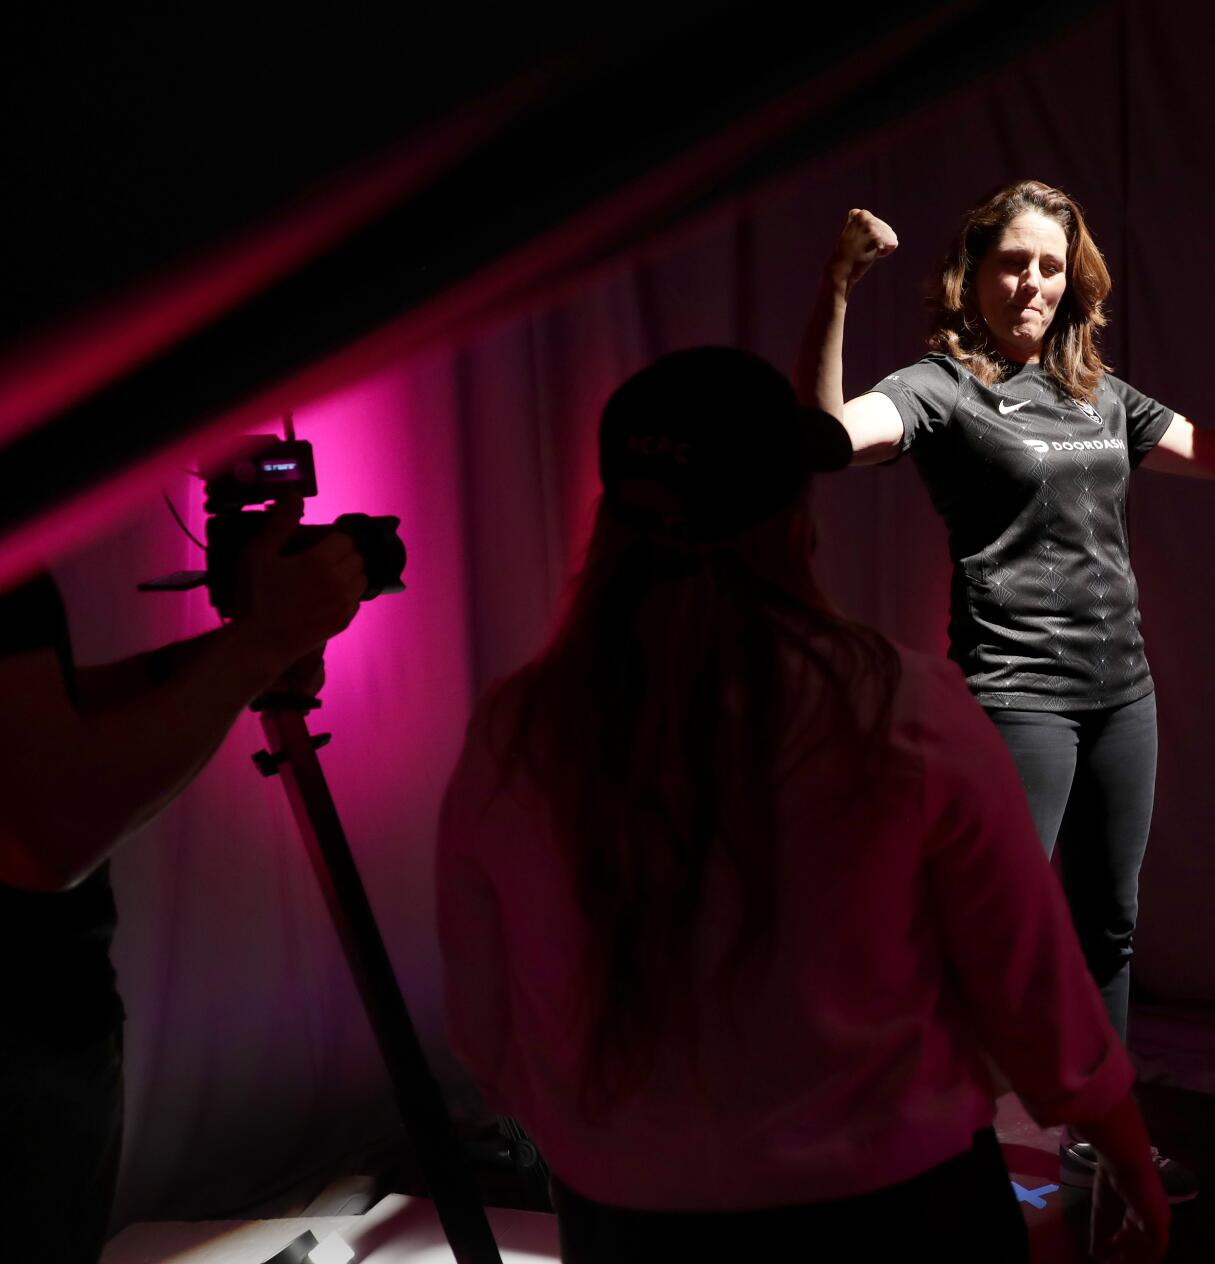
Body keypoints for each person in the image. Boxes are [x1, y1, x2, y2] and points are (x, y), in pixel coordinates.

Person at [434, 346, 1171, 1263]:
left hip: (625, 1219)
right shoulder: (905, 710)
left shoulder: (515, 733)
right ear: (794, 515)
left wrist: (618, 1145)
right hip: (898, 1213)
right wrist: (1124, 1148)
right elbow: (1035, 996)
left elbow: (484, 1021)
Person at [797, 180, 1215, 1197]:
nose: (1030, 282)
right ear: (973, 274)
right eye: (1011, 263)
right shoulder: (941, 389)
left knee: (1106, 924)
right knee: (987, 934)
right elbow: (821, 440)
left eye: (1049, 267)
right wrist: (837, 289)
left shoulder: (1101, 396)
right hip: (1015, 692)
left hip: (1121, 692)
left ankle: (1096, 1141)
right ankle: (935, 1148)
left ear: (1073, 284)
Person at [0, 503, 366, 1263]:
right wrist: (258, 647)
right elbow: (45, 841)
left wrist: (226, 653)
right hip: (20, 1042)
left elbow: (39, 719)